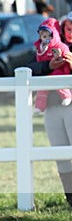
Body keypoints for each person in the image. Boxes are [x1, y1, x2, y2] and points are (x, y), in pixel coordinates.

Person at [28, 25, 72, 208]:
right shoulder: (48, 46)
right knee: (60, 155)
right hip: (52, 106)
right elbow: (27, 67)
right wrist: (47, 65)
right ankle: (70, 200)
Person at [33, 21, 71, 113]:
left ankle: (67, 96)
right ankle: (39, 106)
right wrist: (48, 66)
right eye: (69, 29)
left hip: (68, 103)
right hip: (53, 105)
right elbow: (31, 67)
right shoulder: (41, 49)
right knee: (43, 88)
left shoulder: (62, 47)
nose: (71, 33)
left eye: (48, 36)